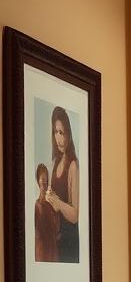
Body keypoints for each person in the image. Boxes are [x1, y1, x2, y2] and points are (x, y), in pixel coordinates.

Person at [44, 106, 80, 263]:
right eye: (56, 132)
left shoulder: (73, 165)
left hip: (69, 241)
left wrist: (58, 203)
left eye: (62, 132)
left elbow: (75, 215)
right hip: (55, 238)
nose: (59, 138)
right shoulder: (55, 162)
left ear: (69, 134)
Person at [33, 164, 59, 262]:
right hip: (42, 250)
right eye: (42, 178)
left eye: (46, 178)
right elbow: (38, 233)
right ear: (38, 181)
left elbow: (57, 228)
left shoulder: (51, 203)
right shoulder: (37, 205)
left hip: (53, 248)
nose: (44, 181)